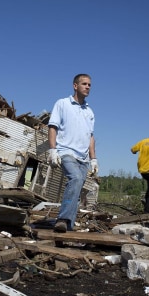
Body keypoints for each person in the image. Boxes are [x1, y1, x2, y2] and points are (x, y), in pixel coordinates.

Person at [48, 74, 98, 233]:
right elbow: (52, 127)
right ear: (75, 86)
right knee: (75, 178)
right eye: (84, 84)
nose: (88, 87)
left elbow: (90, 136)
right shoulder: (62, 104)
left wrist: (94, 159)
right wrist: (52, 149)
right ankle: (62, 219)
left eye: (90, 84)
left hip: (83, 158)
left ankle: (67, 228)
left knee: (77, 189)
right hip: (65, 151)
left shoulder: (89, 112)